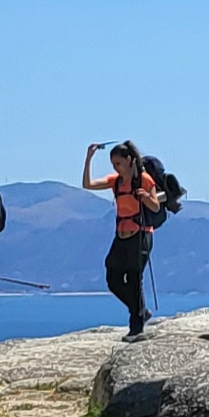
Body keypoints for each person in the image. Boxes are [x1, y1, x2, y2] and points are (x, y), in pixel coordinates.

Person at [78, 139, 161, 340]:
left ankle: (136, 328)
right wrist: (88, 159)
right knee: (113, 279)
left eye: (118, 163)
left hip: (140, 236)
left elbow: (155, 206)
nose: (115, 167)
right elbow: (87, 184)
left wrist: (145, 196)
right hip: (121, 237)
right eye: (113, 164)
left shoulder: (144, 180)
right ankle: (140, 311)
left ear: (129, 160)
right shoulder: (115, 181)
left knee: (134, 280)